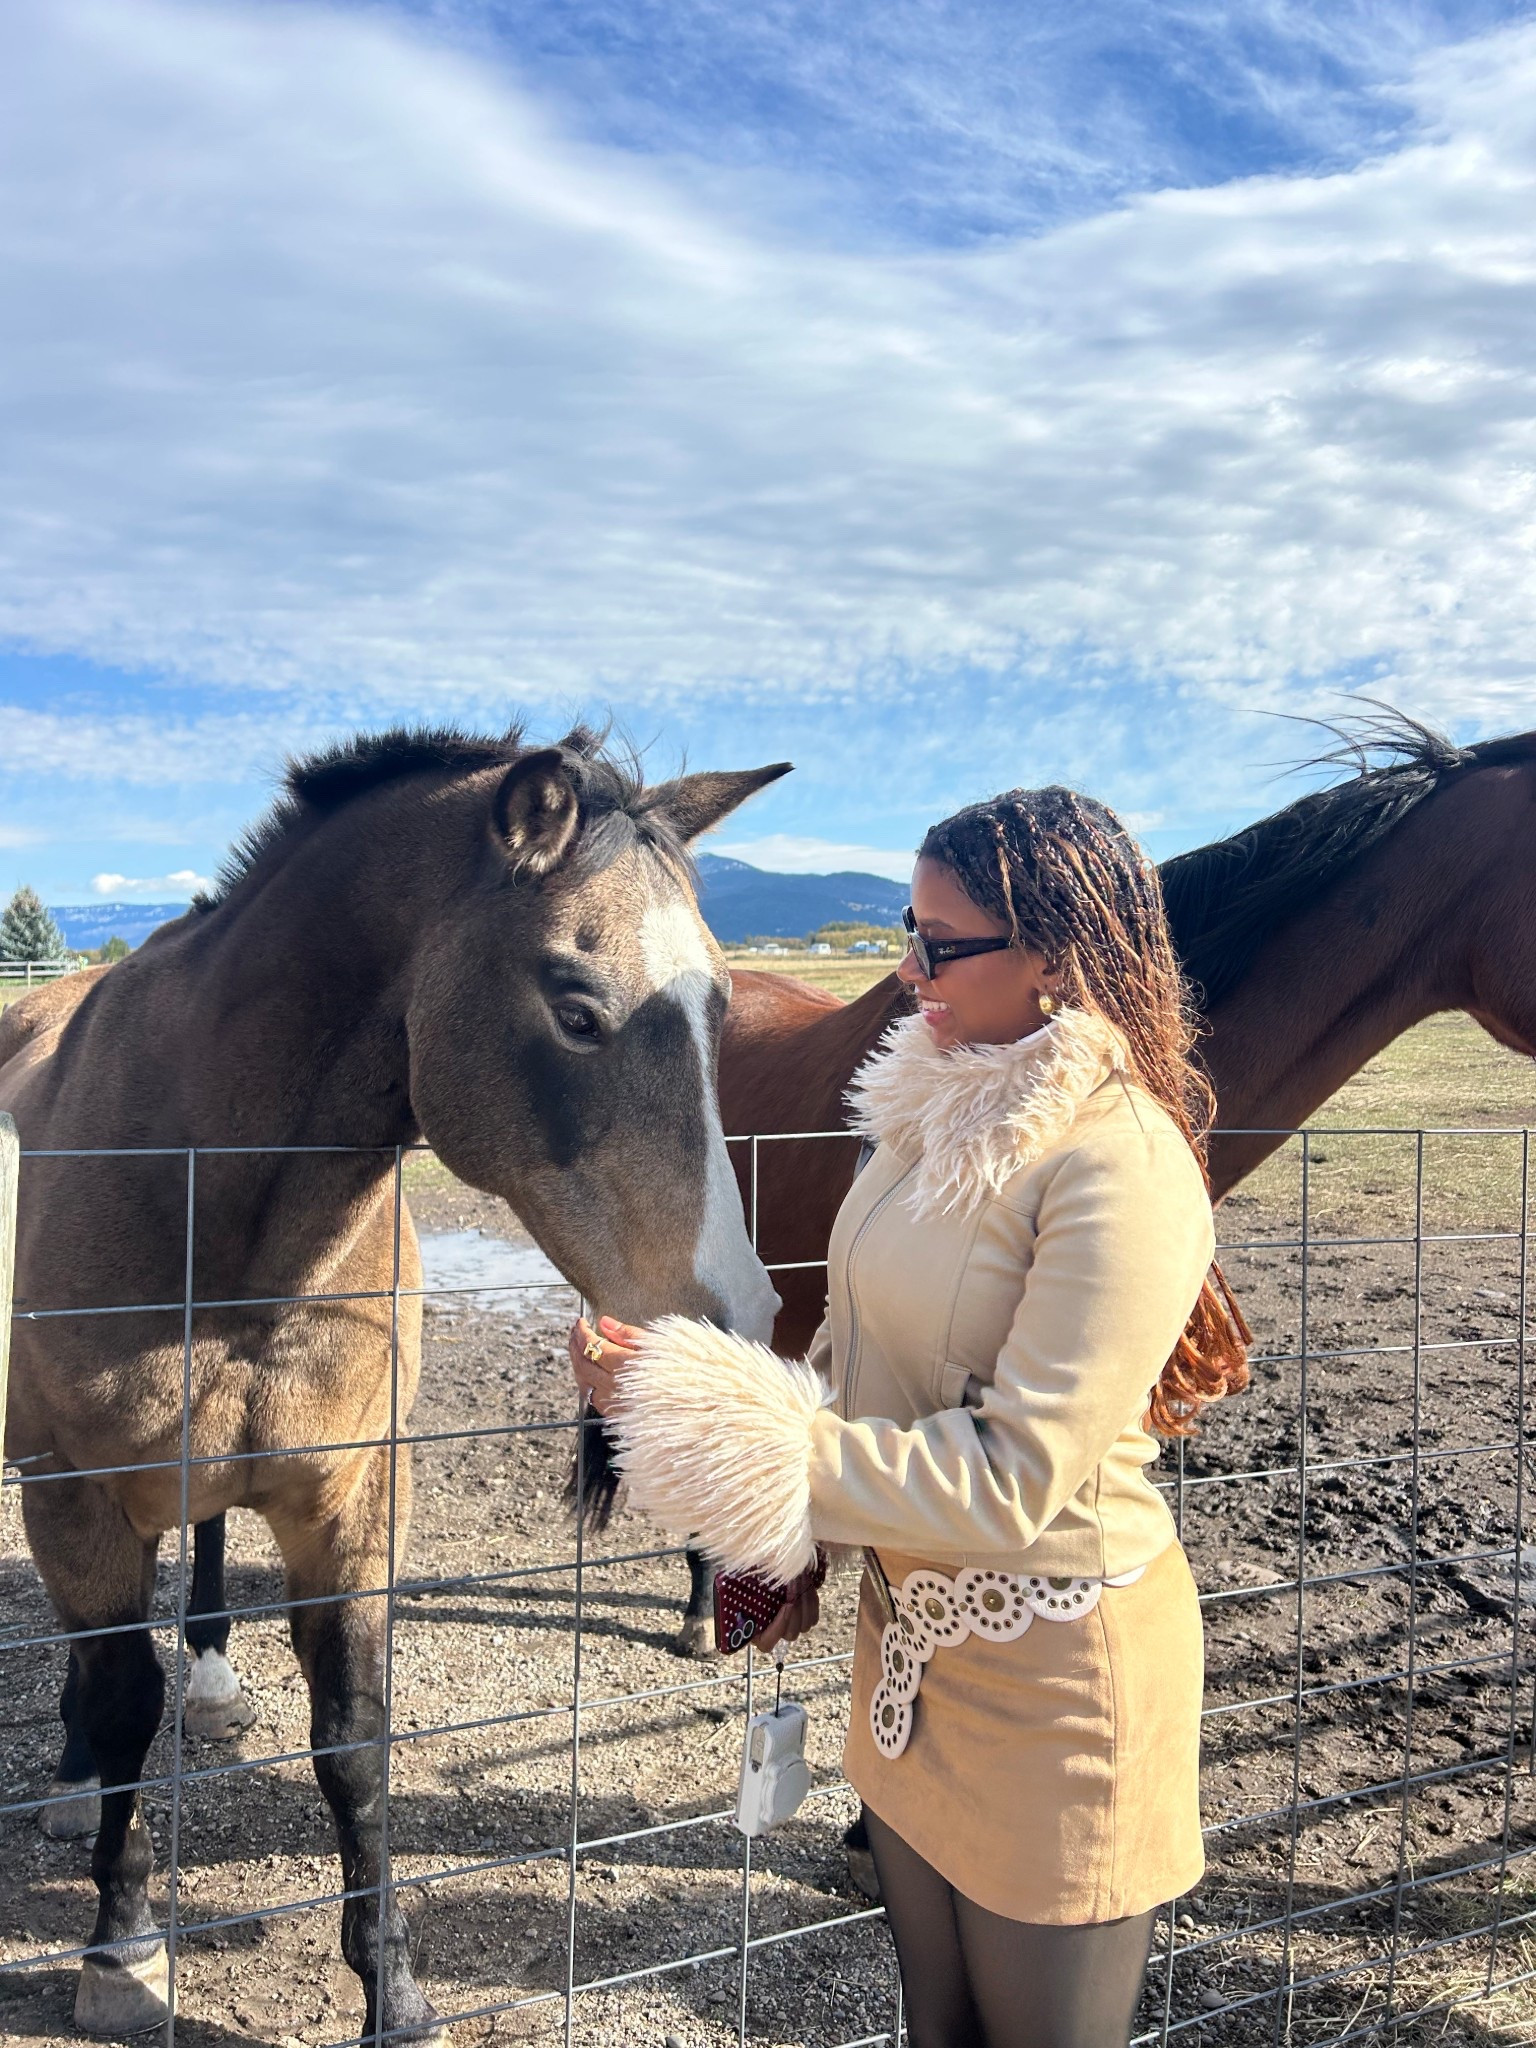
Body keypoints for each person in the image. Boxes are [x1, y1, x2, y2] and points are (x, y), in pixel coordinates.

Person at [568, 786, 1249, 2048]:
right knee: (935, 2030)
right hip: (906, 1669)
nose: (908, 967)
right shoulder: (926, 1106)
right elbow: (851, 1347)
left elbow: (1011, 1476)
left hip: (1056, 1688)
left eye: (944, 942)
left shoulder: (1122, 1162)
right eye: (908, 928)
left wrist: (694, 1412)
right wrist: (793, 1540)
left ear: (1057, 952)